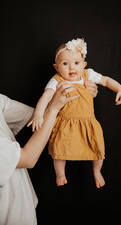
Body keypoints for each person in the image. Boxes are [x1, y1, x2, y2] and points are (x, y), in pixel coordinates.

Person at [28, 38, 121, 189]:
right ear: (56, 67)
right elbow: (46, 96)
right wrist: (38, 114)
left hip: (88, 121)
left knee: (98, 147)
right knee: (59, 150)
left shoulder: (88, 75)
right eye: (65, 64)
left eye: (76, 63)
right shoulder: (57, 80)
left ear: (84, 65)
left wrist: (120, 89)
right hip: (65, 122)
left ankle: (97, 171)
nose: (71, 68)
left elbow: (105, 81)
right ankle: (60, 173)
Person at [0, 81, 98, 225]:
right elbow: (27, 159)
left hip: (24, 208)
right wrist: (53, 108)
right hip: (9, 217)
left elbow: (37, 117)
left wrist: (78, 93)